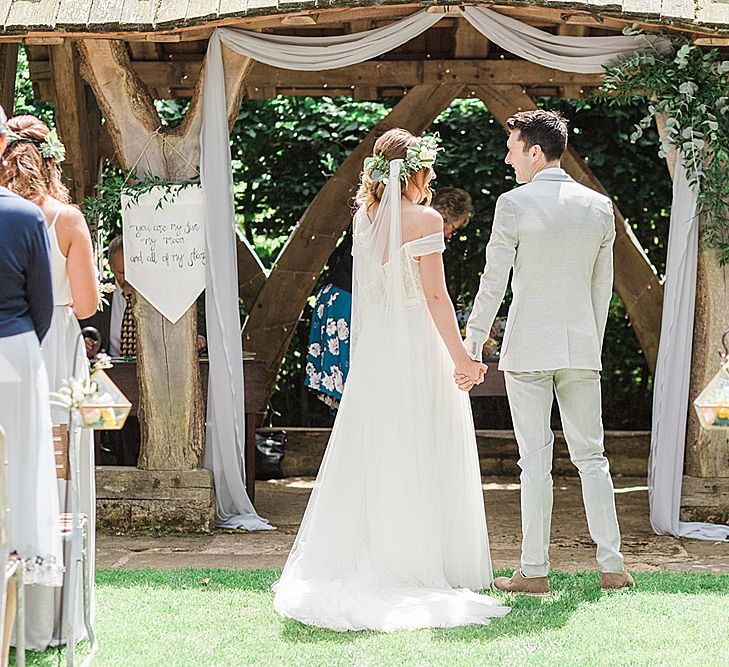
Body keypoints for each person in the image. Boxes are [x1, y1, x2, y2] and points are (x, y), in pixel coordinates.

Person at [274, 128, 509, 631]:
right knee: (423, 443)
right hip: (418, 347)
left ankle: (379, 549)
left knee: (379, 445)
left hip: (379, 351)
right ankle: (422, 559)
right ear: (417, 170)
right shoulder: (423, 218)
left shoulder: (366, 216)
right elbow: (435, 297)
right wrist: (463, 359)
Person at [460, 109, 634, 594]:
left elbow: (494, 281)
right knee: (592, 458)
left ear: (535, 151)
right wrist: (589, 342)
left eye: (513, 148)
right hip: (580, 347)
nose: (508, 156)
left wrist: (473, 343)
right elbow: (603, 288)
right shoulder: (598, 207)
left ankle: (533, 571)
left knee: (534, 461)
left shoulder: (512, 204)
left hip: (527, 349)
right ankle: (613, 566)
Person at [0, 113, 97, 649]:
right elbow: (84, 305)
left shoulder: (7, 217)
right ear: (53, 160)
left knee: (11, 466)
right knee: (62, 472)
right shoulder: (67, 219)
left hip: (11, 348)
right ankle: (54, 621)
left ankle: (12, 614)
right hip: (55, 346)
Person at [305, 187, 474, 411]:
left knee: (359, 398)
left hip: (335, 299)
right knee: (361, 396)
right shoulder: (421, 223)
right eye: (452, 228)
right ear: (444, 216)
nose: (450, 235)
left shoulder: (369, 215)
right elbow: (433, 294)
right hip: (349, 303)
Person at [0, 104, 63, 661]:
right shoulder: (25, 217)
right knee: (23, 463)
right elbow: (44, 305)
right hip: (17, 349)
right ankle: (16, 623)